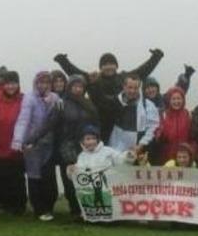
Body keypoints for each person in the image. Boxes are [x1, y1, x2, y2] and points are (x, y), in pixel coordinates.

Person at [54, 49, 164, 141]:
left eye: (111, 64)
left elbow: (142, 71)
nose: (108, 67)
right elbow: (75, 73)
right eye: (105, 64)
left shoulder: (124, 78)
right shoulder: (93, 79)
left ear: (116, 66)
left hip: (121, 125)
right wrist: (63, 61)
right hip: (99, 126)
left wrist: (155, 58)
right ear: (101, 67)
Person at [12, 71, 62, 221]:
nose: (43, 85)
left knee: (49, 177)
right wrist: (18, 140)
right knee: (34, 177)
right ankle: (39, 209)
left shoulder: (55, 98)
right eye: (41, 82)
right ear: (36, 83)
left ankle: (49, 207)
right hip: (32, 144)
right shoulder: (29, 98)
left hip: (49, 144)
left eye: (47, 82)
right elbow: (23, 119)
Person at [50, 75, 100, 218]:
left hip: (85, 146)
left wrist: (97, 140)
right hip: (66, 146)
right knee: (70, 179)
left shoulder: (89, 103)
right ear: (69, 87)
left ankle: (87, 208)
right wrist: (32, 139)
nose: (78, 89)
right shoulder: (62, 103)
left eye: (80, 86)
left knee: (86, 177)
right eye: (75, 86)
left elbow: (96, 123)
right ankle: (75, 209)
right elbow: (50, 124)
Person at [0, 70, 27, 214]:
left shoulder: (24, 99)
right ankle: (3, 205)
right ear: (3, 84)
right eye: (8, 83)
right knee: (0, 176)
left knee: (17, 178)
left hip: (17, 147)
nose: (11, 87)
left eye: (14, 83)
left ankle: (19, 206)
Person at [106, 73, 160, 157]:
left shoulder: (148, 105)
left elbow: (153, 127)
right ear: (124, 87)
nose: (132, 91)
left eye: (136, 88)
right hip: (113, 149)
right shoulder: (114, 102)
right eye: (130, 87)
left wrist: (141, 145)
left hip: (135, 150)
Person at [154, 87, 194, 165]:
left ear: (183, 100)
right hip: (166, 157)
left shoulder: (188, 114)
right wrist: (159, 134)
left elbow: (193, 138)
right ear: (169, 101)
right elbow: (157, 134)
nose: (176, 101)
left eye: (179, 99)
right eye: (173, 99)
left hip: (183, 158)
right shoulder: (163, 114)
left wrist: (192, 153)